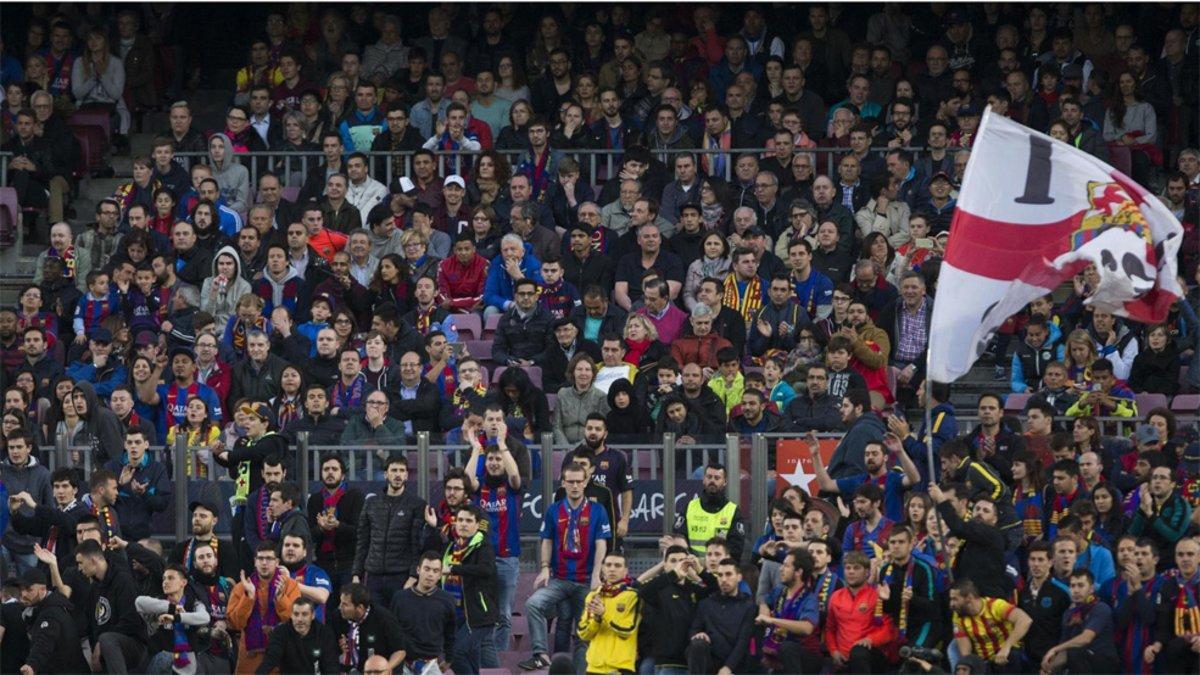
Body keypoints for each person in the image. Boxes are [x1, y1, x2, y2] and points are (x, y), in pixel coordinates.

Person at [518, 462, 612, 671]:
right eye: (571, 482)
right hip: (559, 579)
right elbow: (547, 540)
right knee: (533, 604)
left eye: (579, 481)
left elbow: (601, 544)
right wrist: (544, 568)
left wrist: (597, 574)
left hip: (586, 581)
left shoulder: (598, 510)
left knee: (582, 635)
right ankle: (541, 653)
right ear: (563, 483)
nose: (575, 486)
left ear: (586, 482)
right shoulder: (554, 510)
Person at [352, 455, 427, 607]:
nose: (398, 474)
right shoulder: (371, 503)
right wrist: (356, 574)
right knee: (375, 622)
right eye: (394, 470)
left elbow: (417, 544)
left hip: (401, 576)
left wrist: (413, 576)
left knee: (400, 623)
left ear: (406, 475)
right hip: (373, 576)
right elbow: (362, 541)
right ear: (386, 474)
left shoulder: (417, 504)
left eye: (401, 471)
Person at [441, 504, 498, 674]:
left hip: (479, 613)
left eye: (468, 520)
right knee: (471, 660)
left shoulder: (483, 546)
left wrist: (453, 569)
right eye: (460, 520)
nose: (463, 524)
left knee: (456, 653)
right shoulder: (452, 547)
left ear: (476, 524)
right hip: (456, 612)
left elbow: (485, 569)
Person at [932, 482, 1012, 599]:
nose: (980, 512)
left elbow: (959, 527)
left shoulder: (993, 534)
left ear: (994, 520)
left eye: (986, 511)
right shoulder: (971, 539)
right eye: (977, 509)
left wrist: (941, 500)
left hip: (987, 602)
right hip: (968, 599)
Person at [77, 538, 147, 673]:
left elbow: (131, 621)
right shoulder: (94, 588)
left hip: (133, 646)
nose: (79, 568)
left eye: (81, 563)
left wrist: (100, 643)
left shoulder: (123, 580)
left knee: (106, 639)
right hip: (106, 648)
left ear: (92, 560)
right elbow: (91, 624)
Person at [825, 551, 897, 673]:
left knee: (858, 652)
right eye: (848, 568)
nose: (851, 572)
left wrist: (870, 639)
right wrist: (833, 651)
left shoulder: (877, 595)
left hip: (870, 655)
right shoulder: (835, 597)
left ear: (867, 572)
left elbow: (889, 629)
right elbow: (830, 629)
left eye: (856, 568)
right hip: (843, 658)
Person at [1040, 569, 1120, 674]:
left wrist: (1055, 649)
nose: (1076, 590)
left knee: (1075, 652)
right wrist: (1048, 669)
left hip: (1104, 664)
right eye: (1072, 586)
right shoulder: (1068, 614)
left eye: (1081, 585)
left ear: (1091, 589)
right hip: (1080, 663)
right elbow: (1064, 650)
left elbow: (1085, 639)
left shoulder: (1100, 608)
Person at [686, 556, 757, 674]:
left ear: (739, 577)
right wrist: (698, 635)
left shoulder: (749, 606)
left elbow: (743, 641)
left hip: (737, 666)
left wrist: (728, 668)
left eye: (728, 574)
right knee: (697, 644)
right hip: (708, 663)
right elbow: (693, 630)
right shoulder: (705, 604)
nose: (724, 579)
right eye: (720, 575)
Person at [16, 567, 91, 675]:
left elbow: (44, 642)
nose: (23, 594)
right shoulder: (40, 609)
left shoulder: (51, 614)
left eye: (29, 590)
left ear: (42, 589)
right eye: (21, 589)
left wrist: (32, 665)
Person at [950, 578, 1034, 673]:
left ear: (969, 598)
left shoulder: (995, 606)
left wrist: (1006, 647)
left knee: (1013, 656)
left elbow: (1025, 620)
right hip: (985, 663)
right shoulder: (958, 616)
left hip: (1008, 656)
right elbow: (966, 653)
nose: (951, 604)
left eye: (955, 599)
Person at [577, 551, 640, 675]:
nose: (612, 569)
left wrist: (604, 614)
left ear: (625, 570)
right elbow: (583, 634)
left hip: (621, 668)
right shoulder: (593, 596)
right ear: (602, 569)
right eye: (608, 565)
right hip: (593, 668)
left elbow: (627, 630)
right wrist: (597, 619)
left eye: (617, 566)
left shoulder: (632, 596)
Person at [672, 463, 746, 559]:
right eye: (709, 477)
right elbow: (678, 538)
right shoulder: (690, 507)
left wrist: (712, 563)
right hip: (691, 568)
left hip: (719, 572)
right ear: (704, 479)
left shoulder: (733, 511)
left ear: (725, 482)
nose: (712, 481)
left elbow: (736, 550)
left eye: (717, 478)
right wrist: (693, 562)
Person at [333, 583, 407, 673]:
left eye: (345, 604)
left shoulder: (384, 619)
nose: (340, 607)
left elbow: (400, 651)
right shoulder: (338, 616)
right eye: (340, 602)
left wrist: (385, 669)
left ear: (360, 607)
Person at [257, 596, 340, 674]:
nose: (299, 619)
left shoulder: (324, 634)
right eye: (296, 614)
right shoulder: (280, 632)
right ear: (291, 615)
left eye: (304, 614)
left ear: (313, 615)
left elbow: (331, 666)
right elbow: (270, 659)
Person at [826, 388, 886, 478]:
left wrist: (838, 485)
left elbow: (856, 470)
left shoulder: (861, 431)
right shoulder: (866, 427)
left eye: (846, 406)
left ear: (858, 408)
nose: (841, 410)